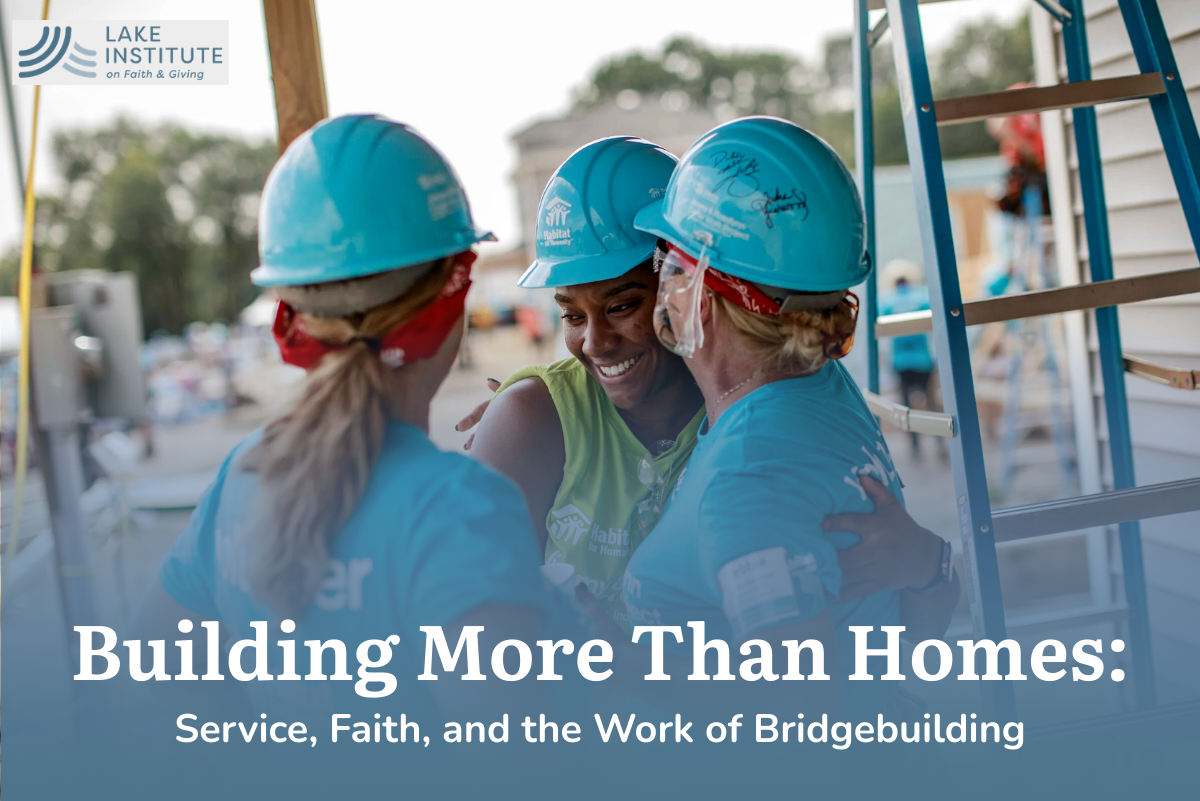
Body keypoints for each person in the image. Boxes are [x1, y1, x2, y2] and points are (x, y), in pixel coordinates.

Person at [130, 115, 552, 722]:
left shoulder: (245, 475)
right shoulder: (459, 507)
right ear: (450, 301)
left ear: (293, 315)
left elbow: (156, 661)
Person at [462, 136, 956, 638]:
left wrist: (615, 656)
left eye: (622, 306)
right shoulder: (810, 383)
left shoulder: (750, 454)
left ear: (692, 286)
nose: (594, 344)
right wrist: (533, 413)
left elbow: (805, 702)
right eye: (569, 314)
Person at [602, 117, 959, 716]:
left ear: (706, 295)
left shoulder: (748, 475)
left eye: (669, 261)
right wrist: (931, 564)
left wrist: (623, 665)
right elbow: (892, 648)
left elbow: (802, 720)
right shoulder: (820, 383)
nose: (659, 279)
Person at [879, 259, 938, 459]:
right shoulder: (921, 296)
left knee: (906, 407)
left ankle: (915, 448)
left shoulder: (885, 301)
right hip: (923, 359)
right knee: (931, 403)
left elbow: (880, 332)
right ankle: (941, 444)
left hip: (900, 361)